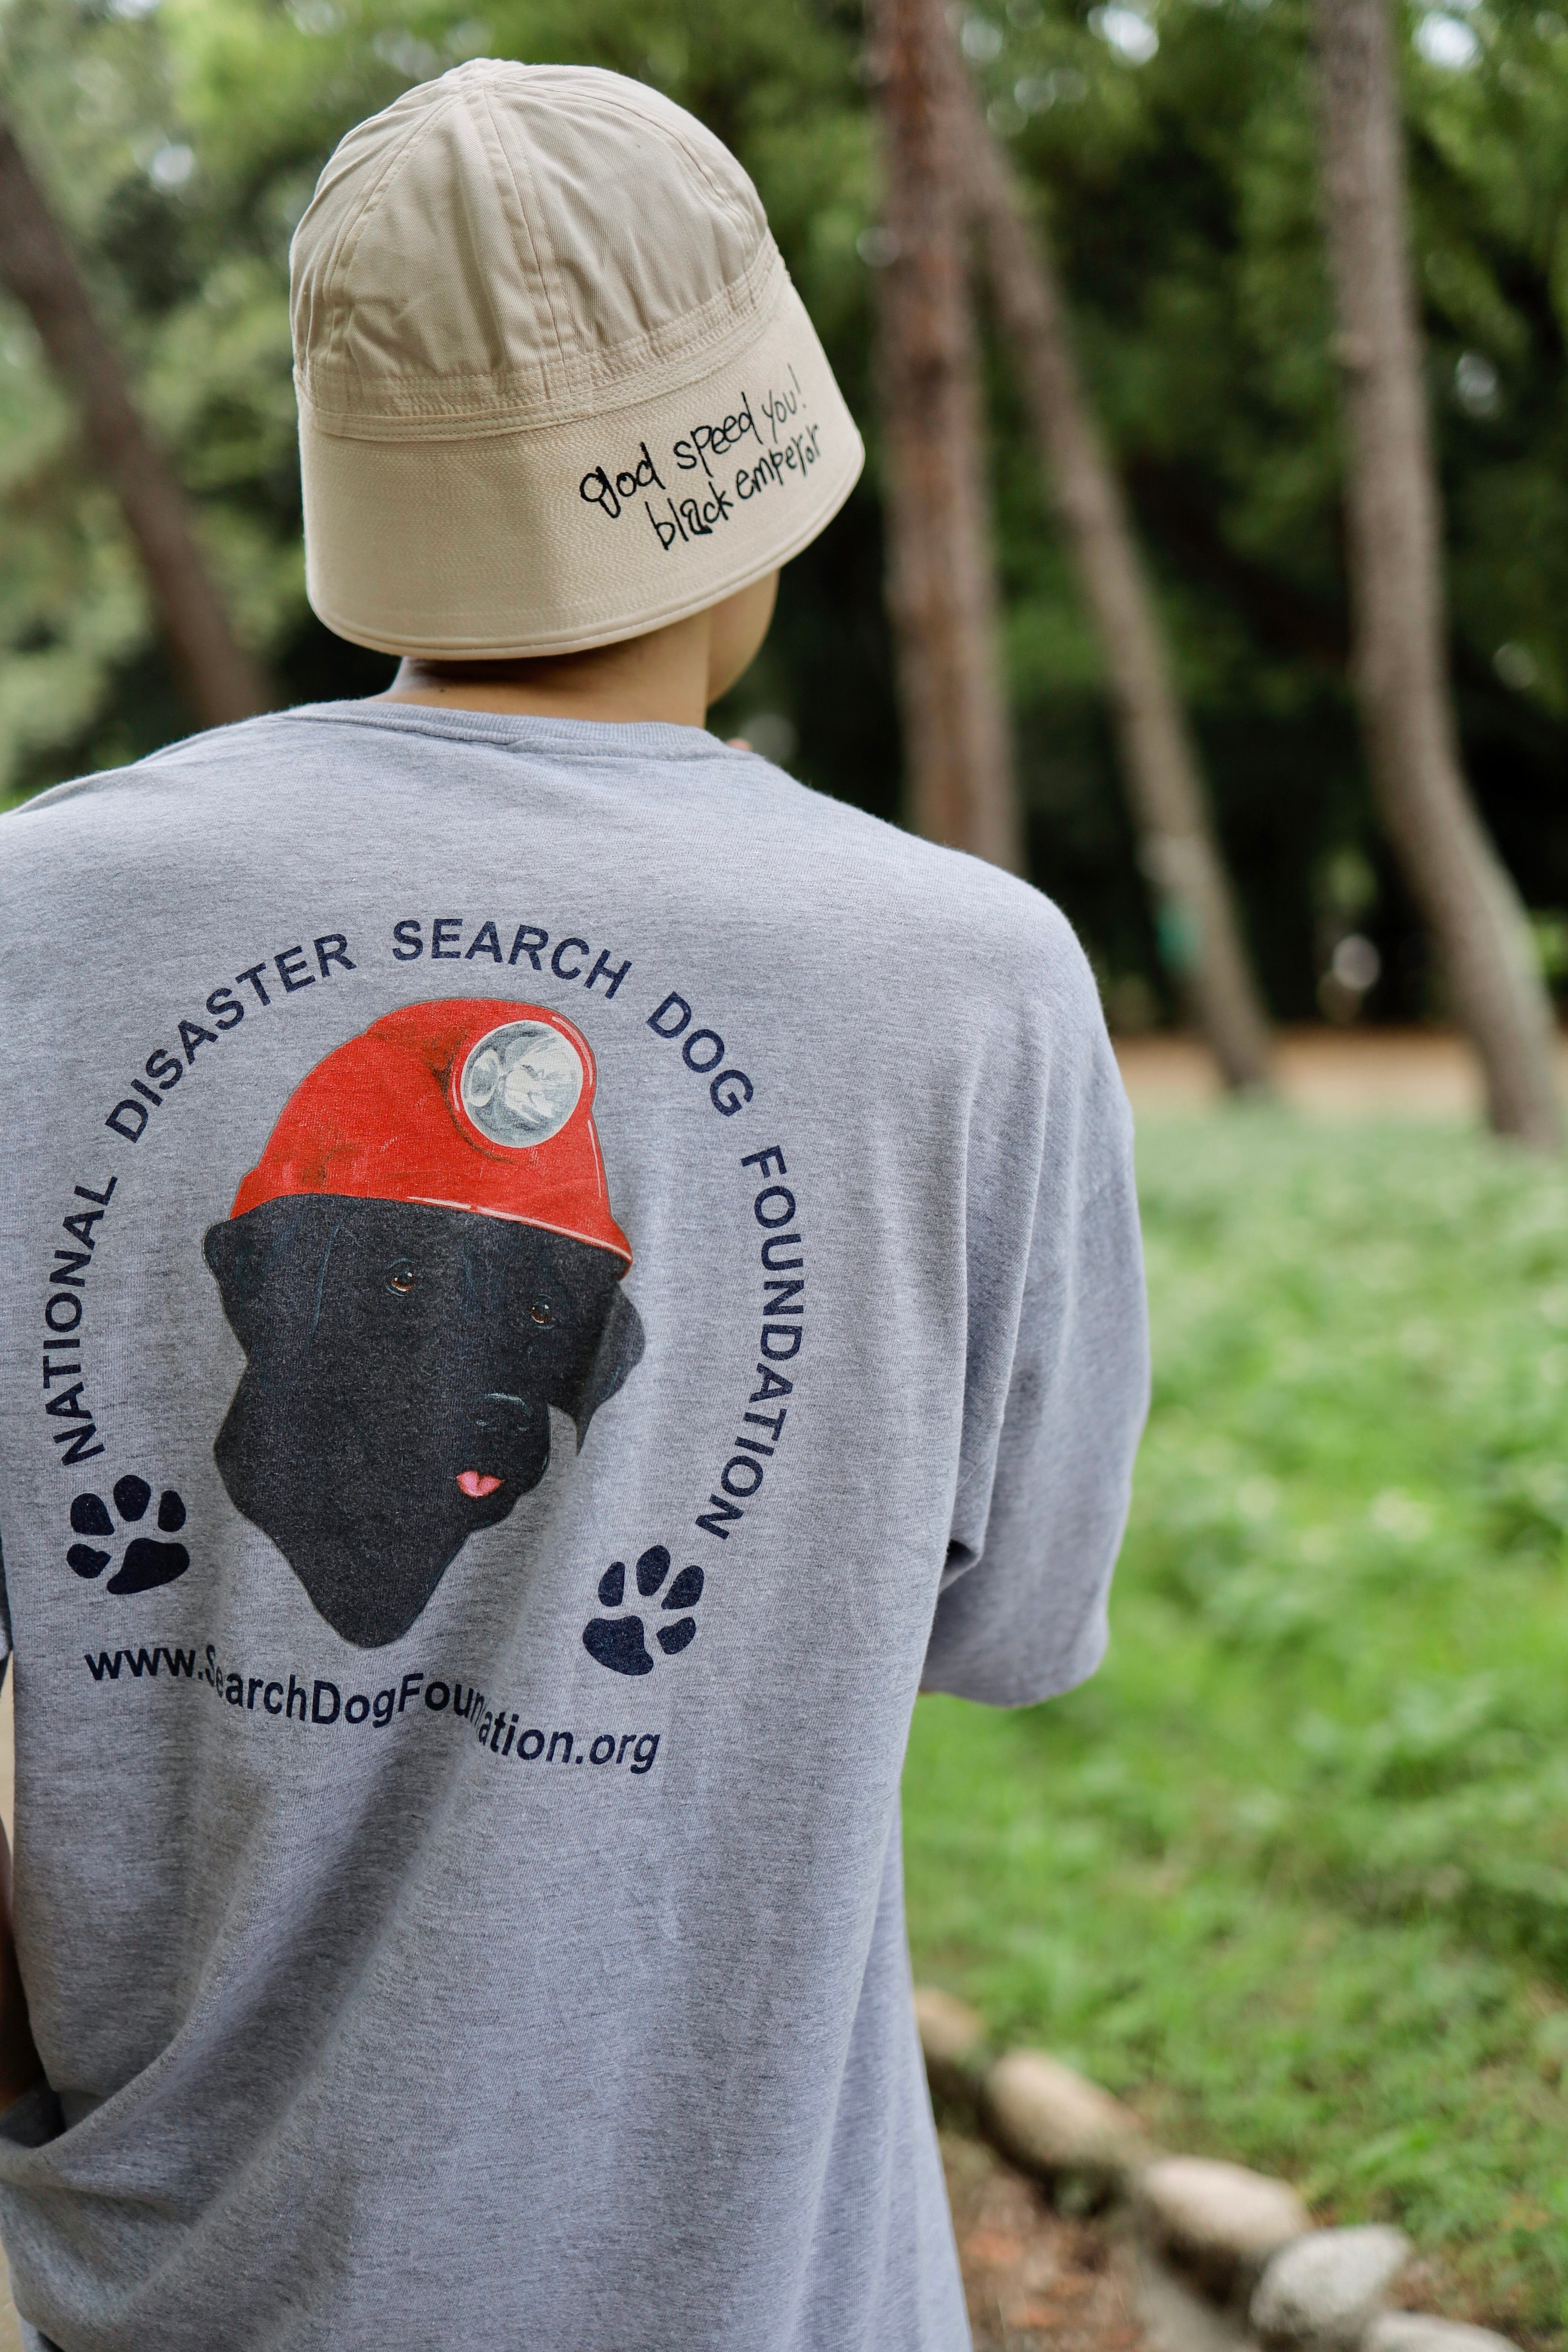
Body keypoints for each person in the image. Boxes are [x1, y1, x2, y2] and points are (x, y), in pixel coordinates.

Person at [0, 59, 1148, 2352]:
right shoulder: (967, 981)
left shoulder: (37, 921)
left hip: (189, 2291)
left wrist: (49, 2086)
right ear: (764, 459)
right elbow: (1010, 1618)